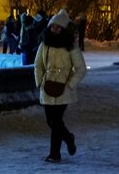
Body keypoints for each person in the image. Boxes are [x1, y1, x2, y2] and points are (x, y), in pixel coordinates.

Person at [34, 10, 86, 163]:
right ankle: (68, 138)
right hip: (47, 86)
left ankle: (54, 153)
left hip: (63, 88)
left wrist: (70, 85)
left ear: (63, 29)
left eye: (57, 27)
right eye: (52, 26)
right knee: (51, 121)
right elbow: (38, 65)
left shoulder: (71, 46)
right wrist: (39, 82)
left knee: (56, 121)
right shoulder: (45, 44)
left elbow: (80, 68)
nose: (54, 29)